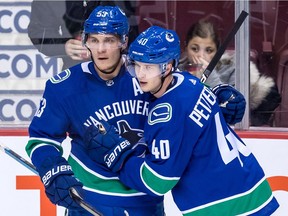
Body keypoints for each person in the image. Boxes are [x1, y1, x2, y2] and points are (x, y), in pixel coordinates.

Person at [85, 26, 280, 215]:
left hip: (220, 204)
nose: (141, 74)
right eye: (137, 65)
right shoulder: (188, 81)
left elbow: (157, 181)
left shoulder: (166, 114)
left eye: (149, 67)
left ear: (167, 67)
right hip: (248, 184)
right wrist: (218, 92)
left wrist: (119, 157)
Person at [26, 6, 164, 216]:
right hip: (89, 201)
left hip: (145, 201)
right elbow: (42, 139)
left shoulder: (148, 76)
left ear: (124, 42)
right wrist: (52, 169)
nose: (101, 49)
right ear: (85, 42)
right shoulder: (65, 86)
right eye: (94, 40)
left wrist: (217, 99)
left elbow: (186, 95)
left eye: (109, 40)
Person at [178, 20, 281, 126]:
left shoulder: (234, 71)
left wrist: (210, 77)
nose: (201, 56)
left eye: (209, 50)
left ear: (218, 51)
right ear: (186, 48)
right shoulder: (175, 73)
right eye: (194, 49)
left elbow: (233, 113)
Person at [28, 0, 139, 70]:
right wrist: (63, 46)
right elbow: (38, 30)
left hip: (122, 71)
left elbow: (144, 25)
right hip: (76, 72)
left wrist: (120, 46)